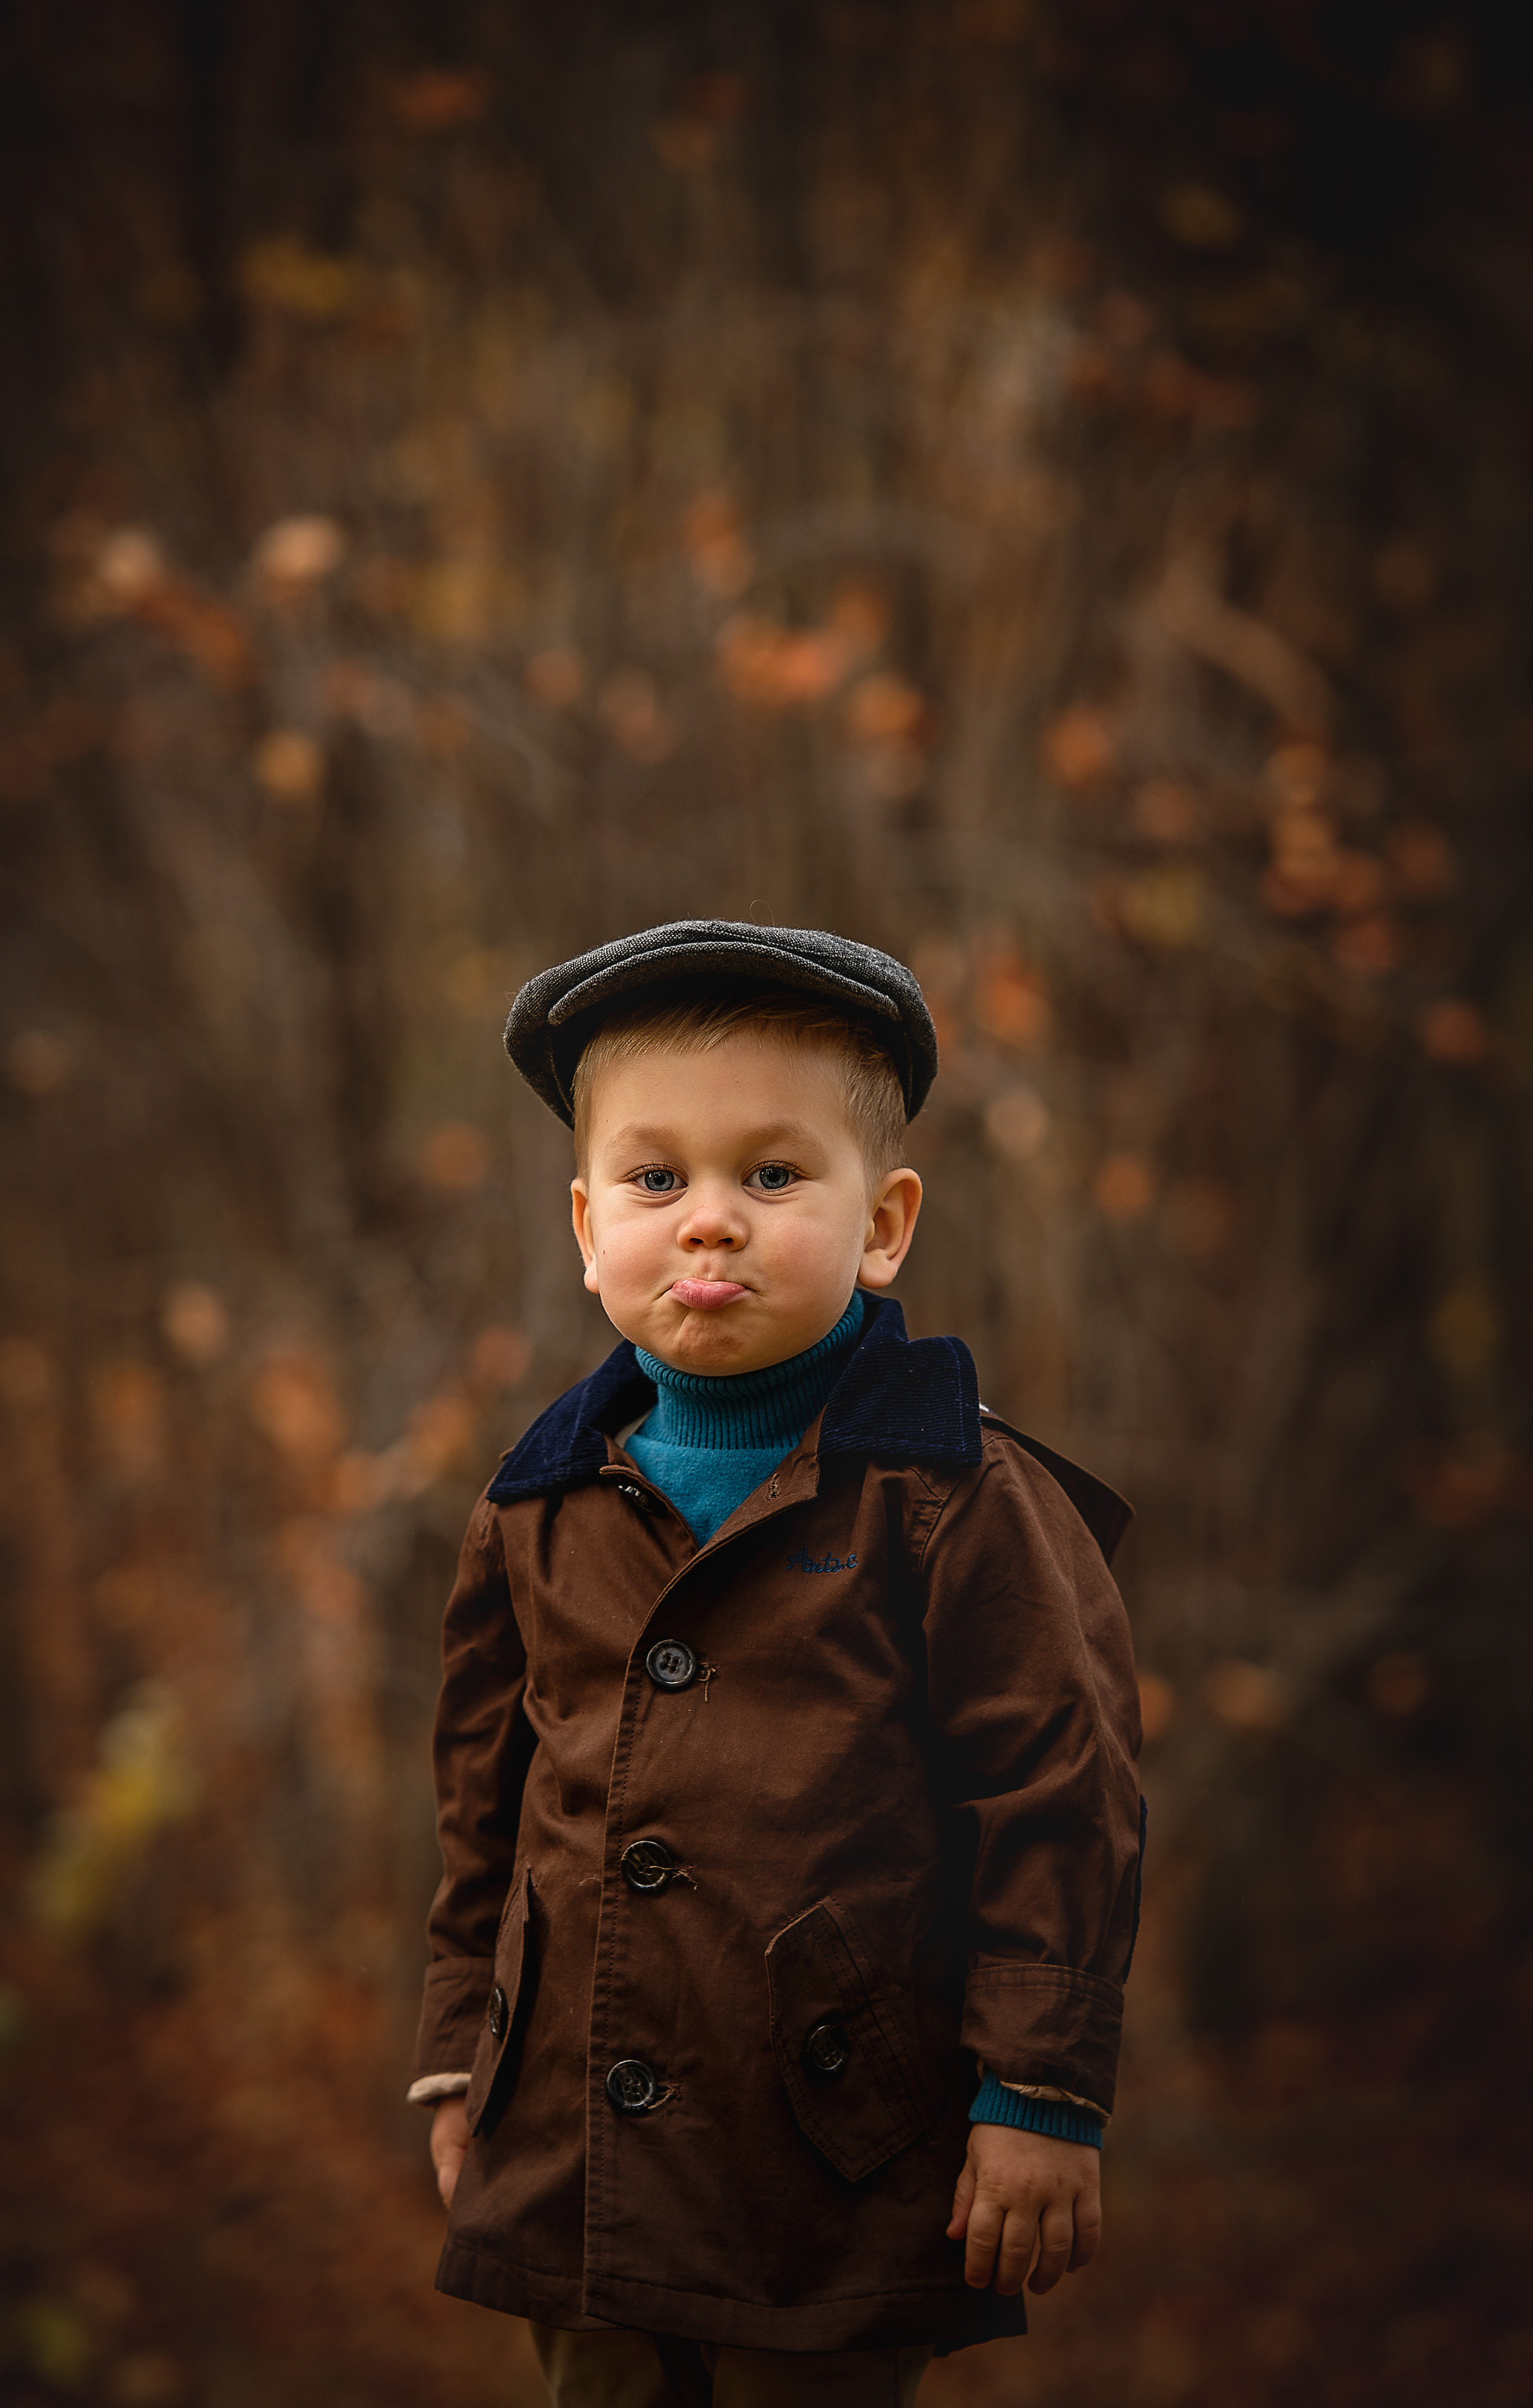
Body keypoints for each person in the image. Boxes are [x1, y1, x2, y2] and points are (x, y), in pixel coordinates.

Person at [408, 921, 1143, 2408]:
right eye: (655, 1177)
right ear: (584, 1226)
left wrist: (1037, 2092)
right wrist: (454, 2056)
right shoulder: (534, 1503)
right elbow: (480, 1808)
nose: (707, 1221)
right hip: (575, 2142)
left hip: (829, 2151)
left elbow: (1056, 1795)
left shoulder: (956, 1499)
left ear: (883, 1225)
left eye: (771, 1174)